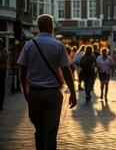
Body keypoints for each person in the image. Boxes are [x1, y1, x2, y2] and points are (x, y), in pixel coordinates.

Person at [17, 14, 77, 150]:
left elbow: (22, 71)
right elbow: (66, 71)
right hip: (52, 94)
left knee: (39, 131)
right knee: (50, 133)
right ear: (51, 27)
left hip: (35, 93)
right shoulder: (58, 45)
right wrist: (73, 93)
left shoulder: (28, 46)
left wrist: (26, 91)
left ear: (38, 27)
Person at [0, 38, 8, 110]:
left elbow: (5, 60)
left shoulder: (4, 50)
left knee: (2, 88)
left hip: (2, 71)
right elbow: (6, 60)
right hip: (2, 71)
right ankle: (1, 104)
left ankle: (1, 104)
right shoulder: (4, 50)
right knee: (2, 88)